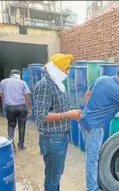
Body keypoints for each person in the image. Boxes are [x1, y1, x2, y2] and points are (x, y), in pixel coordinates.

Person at [34, 53, 82, 191]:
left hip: (59, 136)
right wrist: (67, 114)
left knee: (56, 175)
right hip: (52, 138)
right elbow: (41, 115)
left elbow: (58, 107)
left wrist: (72, 112)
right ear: (58, 69)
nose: (68, 72)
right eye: (66, 69)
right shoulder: (45, 85)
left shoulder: (57, 84)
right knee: (52, 177)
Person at [0, 69, 32, 151]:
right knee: (22, 126)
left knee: (11, 125)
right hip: (21, 107)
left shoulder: (3, 82)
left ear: (11, 74)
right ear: (19, 75)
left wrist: (5, 103)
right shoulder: (22, 83)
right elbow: (27, 96)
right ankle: (20, 146)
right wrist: (29, 108)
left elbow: (2, 95)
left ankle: (11, 145)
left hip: (10, 107)